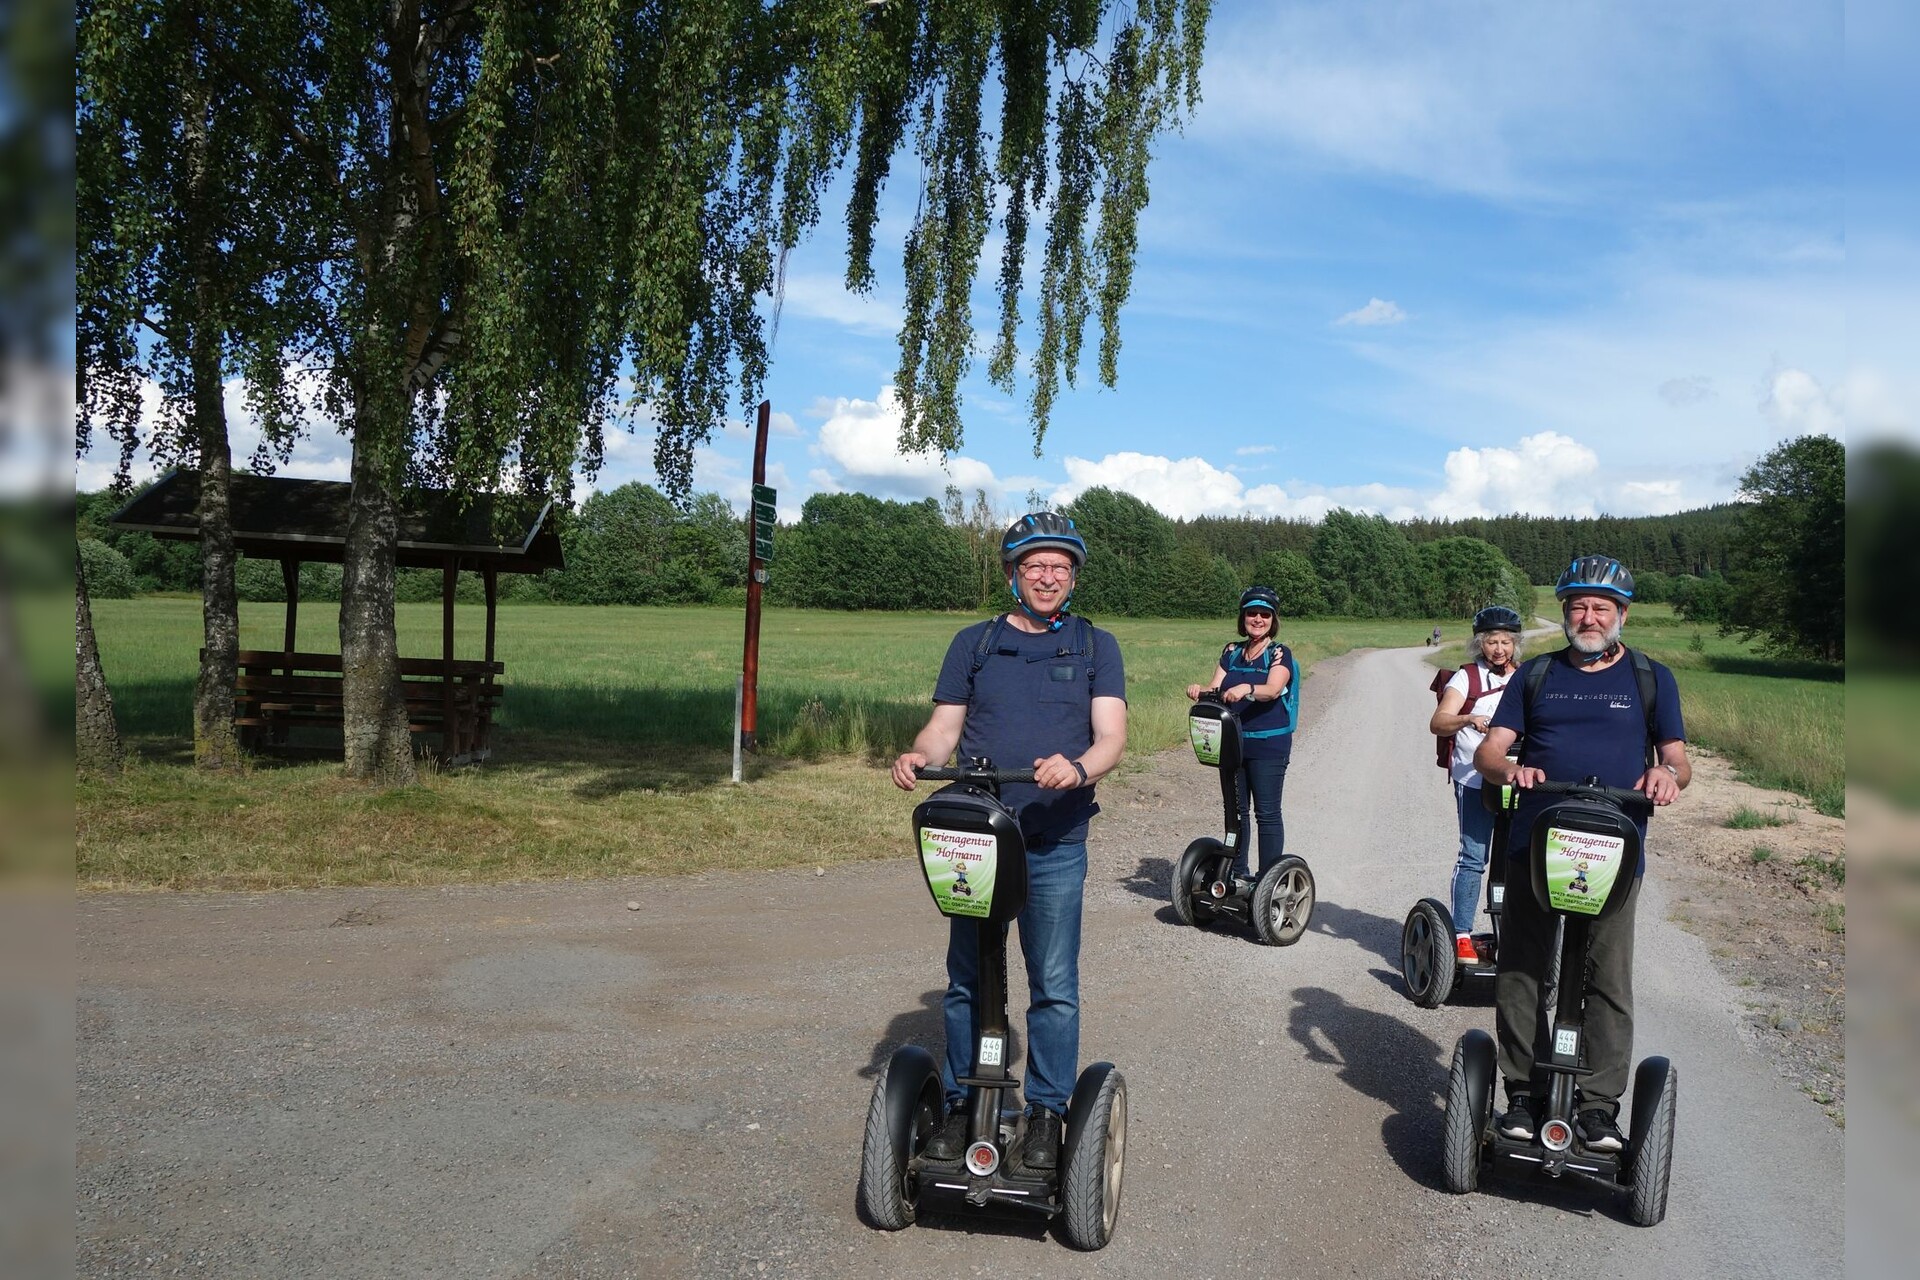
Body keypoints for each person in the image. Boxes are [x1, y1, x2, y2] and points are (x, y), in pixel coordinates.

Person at [891, 512, 1127, 1173]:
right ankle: (968, 1099)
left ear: (1073, 577)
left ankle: (1048, 1111)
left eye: (1059, 567)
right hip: (977, 840)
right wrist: (918, 755)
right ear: (1013, 575)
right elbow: (945, 727)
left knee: (1051, 982)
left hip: (1053, 838)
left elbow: (1111, 735)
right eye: (1035, 566)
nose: (1048, 576)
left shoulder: (1093, 645)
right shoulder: (976, 642)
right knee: (967, 979)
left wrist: (1079, 768)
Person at [1473, 555, 1690, 1155]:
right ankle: (1522, 1092)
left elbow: (1677, 757)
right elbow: (1489, 753)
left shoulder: (1651, 678)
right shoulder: (1535, 674)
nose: (1588, 617)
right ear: (1566, 612)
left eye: (1601, 607)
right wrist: (1511, 767)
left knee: (1608, 978)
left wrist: (1668, 776)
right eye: (1578, 606)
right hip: (1536, 844)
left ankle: (1597, 1108)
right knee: (1522, 969)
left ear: (1621, 614)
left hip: (1614, 851)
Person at [1184, 586, 1298, 881]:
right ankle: (1236, 872)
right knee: (1235, 812)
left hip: (1269, 744)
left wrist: (1247, 688)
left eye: (1264, 614)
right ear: (1243, 617)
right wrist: (1200, 690)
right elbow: (1216, 687)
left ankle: (1268, 880)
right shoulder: (1232, 652)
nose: (1257, 619)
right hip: (1232, 742)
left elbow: (1273, 689)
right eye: (1251, 613)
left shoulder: (1279, 653)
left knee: (1267, 813)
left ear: (1273, 619)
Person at [1429, 605, 1523, 961]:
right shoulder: (1466, 677)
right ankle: (1462, 933)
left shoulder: (1526, 677)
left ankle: (1512, 930)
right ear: (1479, 644)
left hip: (1517, 778)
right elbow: (1438, 722)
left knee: (1517, 858)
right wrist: (1468, 717)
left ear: (1515, 643)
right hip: (1473, 778)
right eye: (1490, 642)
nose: (1498, 649)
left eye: (1505, 642)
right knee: (1474, 856)